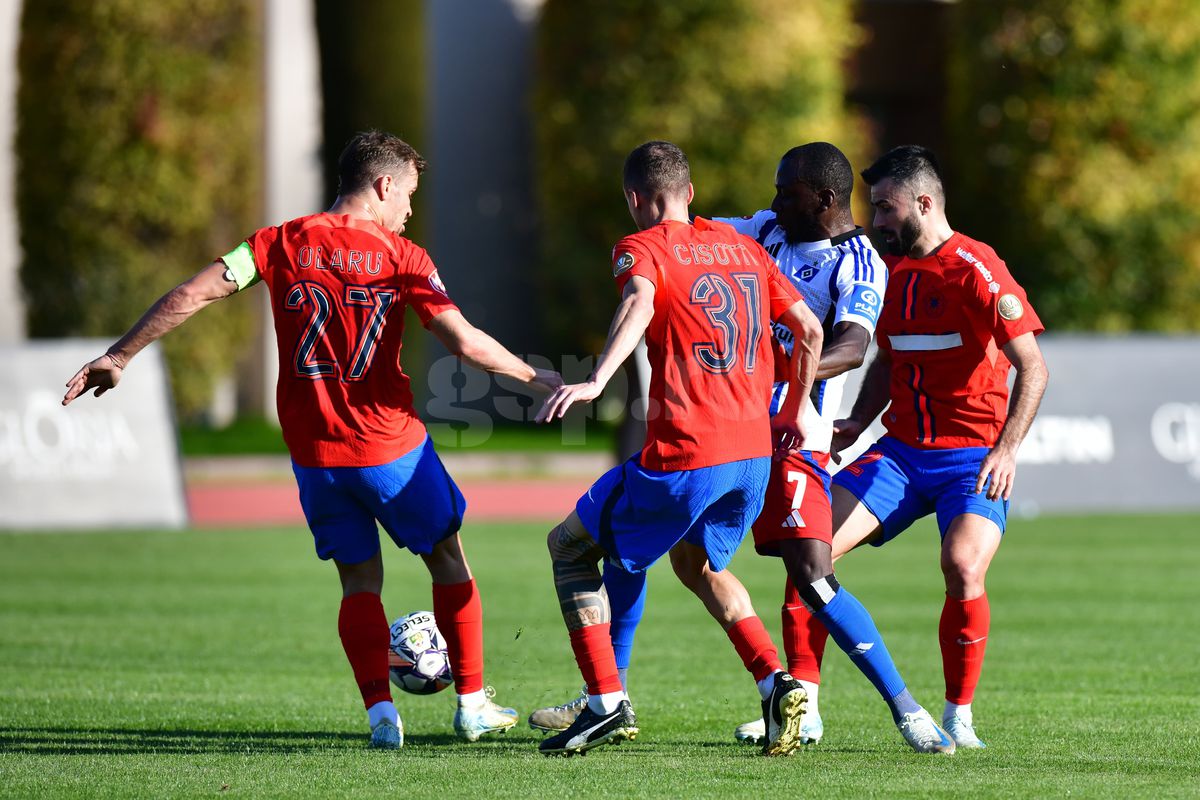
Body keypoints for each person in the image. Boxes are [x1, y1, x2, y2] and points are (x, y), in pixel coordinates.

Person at [62, 130, 560, 750]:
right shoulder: (405, 259)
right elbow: (463, 342)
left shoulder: (275, 244)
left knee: (359, 583)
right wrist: (535, 376)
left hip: (315, 457)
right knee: (448, 558)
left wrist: (119, 354)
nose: (408, 209)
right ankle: (471, 705)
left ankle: (382, 719)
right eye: (407, 194)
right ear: (382, 187)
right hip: (390, 448)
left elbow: (192, 293)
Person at [529, 143, 956, 755]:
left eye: (787, 192)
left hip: (786, 435)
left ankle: (902, 710)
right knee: (675, 558)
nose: (773, 202)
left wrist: (778, 385)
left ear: (825, 199)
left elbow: (853, 347)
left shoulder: (861, 261)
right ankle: (672, 689)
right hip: (750, 437)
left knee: (811, 576)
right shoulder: (757, 235)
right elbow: (695, 242)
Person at [533, 140, 824, 757]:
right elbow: (811, 330)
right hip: (752, 456)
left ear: (635, 199)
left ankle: (606, 703)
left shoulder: (641, 247)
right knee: (698, 566)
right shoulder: (744, 247)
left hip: (689, 451)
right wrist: (795, 407)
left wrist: (598, 380)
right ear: (690, 193)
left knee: (568, 547)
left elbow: (639, 301)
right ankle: (776, 682)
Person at [796, 145, 1049, 749]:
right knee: (808, 549)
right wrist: (858, 422)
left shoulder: (978, 268)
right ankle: (802, 708)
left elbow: (1033, 369)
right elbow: (889, 356)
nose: (876, 220)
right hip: (903, 453)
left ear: (924, 202)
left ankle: (958, 714)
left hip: (971, 457)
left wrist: (1006, 450)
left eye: (885, 207)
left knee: (963, 568)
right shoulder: (889, 275)